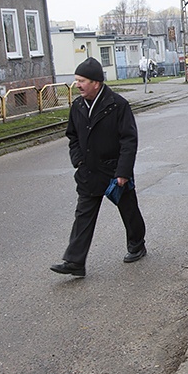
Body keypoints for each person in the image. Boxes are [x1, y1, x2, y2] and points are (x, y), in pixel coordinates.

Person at [51, 57, 147, 277]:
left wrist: (123, 172)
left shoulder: (117, 105)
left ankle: (137, 244)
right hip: (88, 171)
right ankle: (75, 262)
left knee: (129, 211)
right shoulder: (77, 106)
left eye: (81, 80)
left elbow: (128, 140)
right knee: (83, 216)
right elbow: (72, 136)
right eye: (76, 80)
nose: (77, 85)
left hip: (114, 172)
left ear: (96, 83)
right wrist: (78, 160)